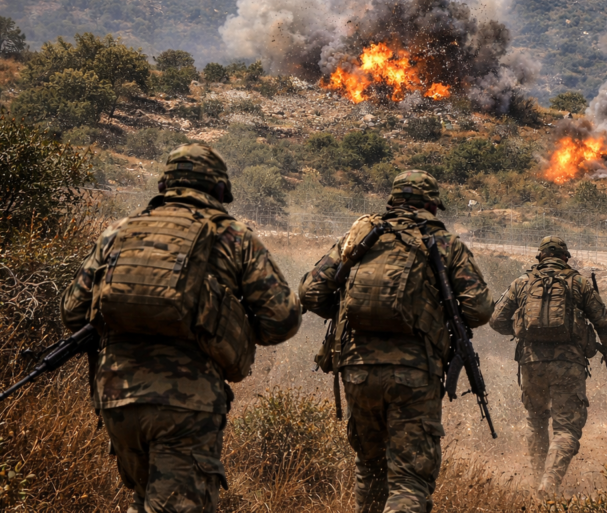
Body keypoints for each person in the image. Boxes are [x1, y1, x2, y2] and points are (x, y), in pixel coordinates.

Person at [61, 143, 302, 513]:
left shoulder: (118, 232)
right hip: (187, 403)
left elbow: (73, 312)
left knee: (144, 501)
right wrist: (229, 325)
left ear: (164, 184)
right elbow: (282, 319)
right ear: (219, 189)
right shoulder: (233, 236)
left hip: (117, 398)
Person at [300, 169, 493, 513]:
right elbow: (479, 310)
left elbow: (311, 292)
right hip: (415, 373)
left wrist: (346, 311)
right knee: (409, 481)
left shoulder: (361, 236)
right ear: (431, 205)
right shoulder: (444, 243)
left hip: (357, 368)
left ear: (393, 200)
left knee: (370, 467)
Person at [489, 236, 607, 496]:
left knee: (536, 421)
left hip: (531, 364)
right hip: (568, 365)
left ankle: (537, 479)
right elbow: (604, 323)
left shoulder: (522, 283)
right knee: (566, 428)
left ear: (540, 257)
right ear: (565, 257)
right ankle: (548, 484)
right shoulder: (579, 283)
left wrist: (521, 330)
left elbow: (496, 320)